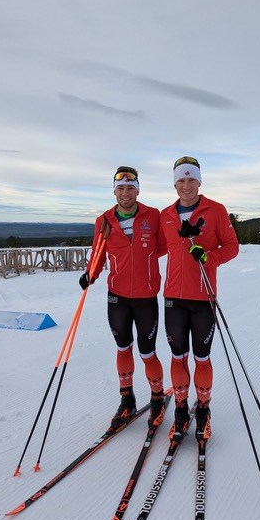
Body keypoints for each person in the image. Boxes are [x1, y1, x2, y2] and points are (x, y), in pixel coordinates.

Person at [79, 166, 166, 430]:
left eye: (130, 187)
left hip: (146, 296)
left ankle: (158, 399)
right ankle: (127, 400)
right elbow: (98, 253)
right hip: (117, 297)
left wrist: (144, 261)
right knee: (122, 348)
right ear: (114, 191)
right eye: (120, 188)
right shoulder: (104, 220)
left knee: (147, 351)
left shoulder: (153, 216)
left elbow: (162, 246)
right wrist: (90, 274)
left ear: (138, 190)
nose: (125, 192)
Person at [160, 156, 239, 442]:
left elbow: (232, 247)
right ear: (174, 183)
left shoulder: (215, 210)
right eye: (180, 180)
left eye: (191, 179)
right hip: (173, 299)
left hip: (203, 297)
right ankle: (181, 409)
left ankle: (203, 409)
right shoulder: (166, 215)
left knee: (201, 357)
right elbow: (152, 248)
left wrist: (208, 257)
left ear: (199, 181)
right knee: (178, 356)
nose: (186, 185)